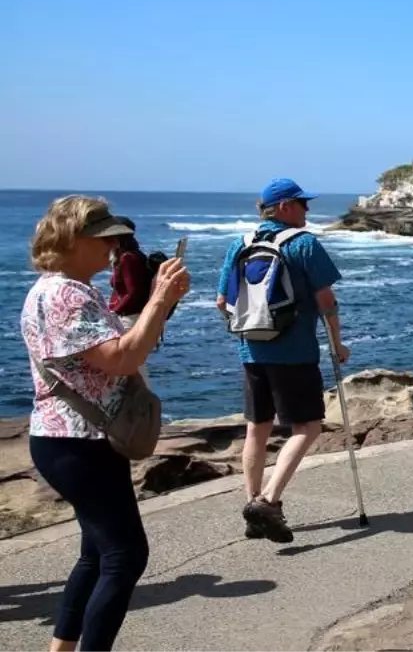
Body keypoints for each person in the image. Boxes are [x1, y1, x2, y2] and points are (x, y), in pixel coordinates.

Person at [21, 196, 189, 652]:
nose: (113, 248)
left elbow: (123, 346)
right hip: (80, 441)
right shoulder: (67, 295)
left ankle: (61, 648)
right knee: (125, 555)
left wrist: (163, 304)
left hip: (70, 438)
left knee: (96, 554)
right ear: (73, 241)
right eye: (104, 239)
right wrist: (157, 298)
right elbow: (123, 358)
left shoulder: (54, 288)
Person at [217, 178, 349, 543]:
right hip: (295, 353)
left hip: (251, 351)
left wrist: (249, 332)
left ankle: (251, 505)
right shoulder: (303, 244)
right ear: (286, 207)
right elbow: (326, 301)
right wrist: (338, 343)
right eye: (303, 204)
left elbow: (221, 302)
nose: (308, 210)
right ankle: (269, 502)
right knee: (307, 427)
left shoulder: (239, 245)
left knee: (256, 428)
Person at [107, 218, 154, 380]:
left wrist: (114, 312)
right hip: (134, 315)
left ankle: (142, 400)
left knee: (129, 366)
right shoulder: (134, 254)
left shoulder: (128, 258)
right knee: (132, 365)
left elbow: (133, 292)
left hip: (128, 317)